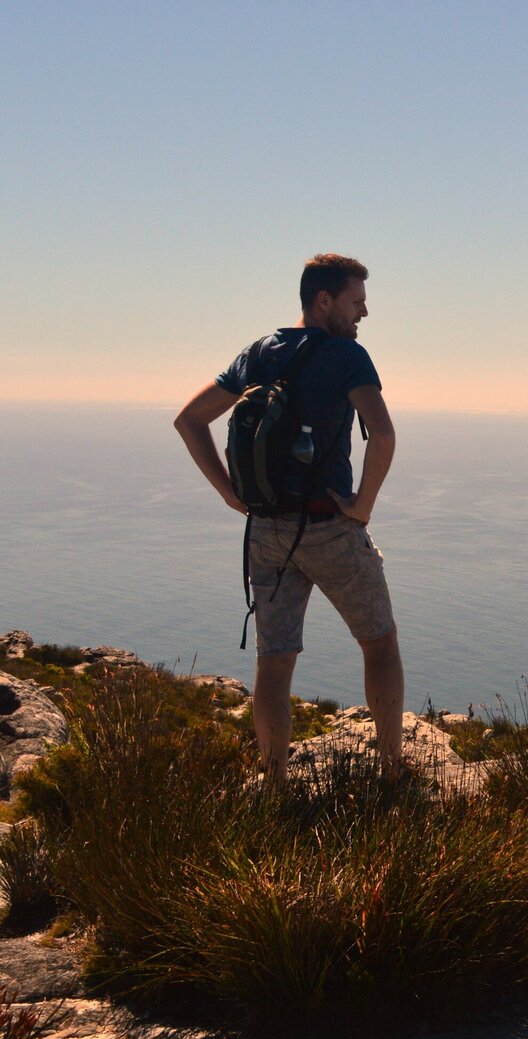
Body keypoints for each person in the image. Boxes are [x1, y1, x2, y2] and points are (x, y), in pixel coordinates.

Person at [174, 253, 403, 782]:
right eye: (356, 302)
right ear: (324, 301)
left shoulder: (259, 353)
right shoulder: (348, 356)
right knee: (380, 643)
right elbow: (384, 436)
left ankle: (273, 784)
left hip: (267, 531)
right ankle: (391, 771)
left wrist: (231, 494)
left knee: (274, 663)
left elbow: (189, 420)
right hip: (329, 526)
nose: (363, 314)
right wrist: (362, 507)